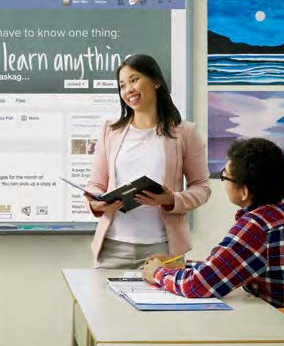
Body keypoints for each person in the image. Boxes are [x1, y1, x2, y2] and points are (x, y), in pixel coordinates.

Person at [142, 138, 284, 308]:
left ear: (244, 192)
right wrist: (183, 266)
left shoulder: (257, 226)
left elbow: (196, 286)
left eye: (225, 176)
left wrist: (158, 273)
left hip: (280, 330)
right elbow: (227, 266)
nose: (223, 181)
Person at [86, 54, 211, 269]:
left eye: (134, 80)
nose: (128, 90)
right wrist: (95, 202)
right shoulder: (110, 131)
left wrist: (171, 199)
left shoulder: (185, 133)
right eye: (122, 85)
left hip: (163, 250)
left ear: (156, 81)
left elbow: (202, 188)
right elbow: (96, 184)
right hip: (113, 248)